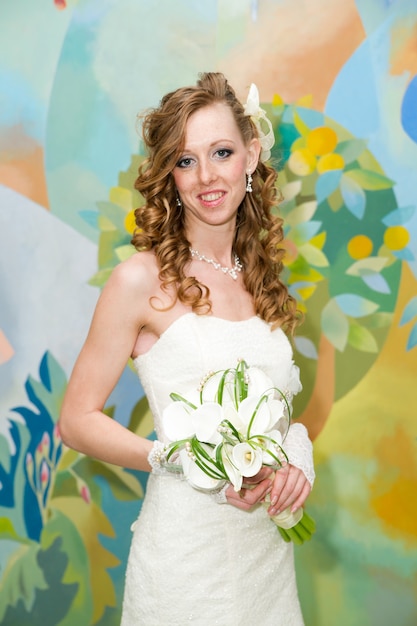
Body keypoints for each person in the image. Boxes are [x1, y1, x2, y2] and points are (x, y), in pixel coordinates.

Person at [59, 72, 315, 625]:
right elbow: (76, 420)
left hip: (266, 562)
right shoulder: (139, 280)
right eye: (185, 160)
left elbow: (281, 417)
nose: (206, 176)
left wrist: (296, 461)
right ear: (169, 176)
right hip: (185, 564)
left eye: (221, 152)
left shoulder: (263, 280)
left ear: (250, 156)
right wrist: (169, 457)